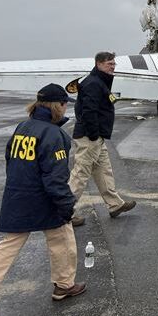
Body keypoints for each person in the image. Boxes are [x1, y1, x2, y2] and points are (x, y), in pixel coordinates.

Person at [0, 84, 86, 316]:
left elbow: (10, 159)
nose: (66, 107)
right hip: (44, 198)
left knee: (8, 245)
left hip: (17, 194)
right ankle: (64, 284)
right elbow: (56, 177)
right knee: (62, 236)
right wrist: (66, 205)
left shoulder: (22, 127)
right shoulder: (55, 134)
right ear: (57, 106)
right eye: (64, 103)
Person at [68, 52, 135, 226]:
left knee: (104, 170)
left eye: (113, 64)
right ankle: (63, 213)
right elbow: (88, 111)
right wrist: (93, 134)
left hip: (97, 137)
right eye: (108, 64)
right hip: (90, 137)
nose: (112, 67)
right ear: (98, 64)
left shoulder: (99, 81)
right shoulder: (93, 83)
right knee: (80, 174)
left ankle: (115, 205)